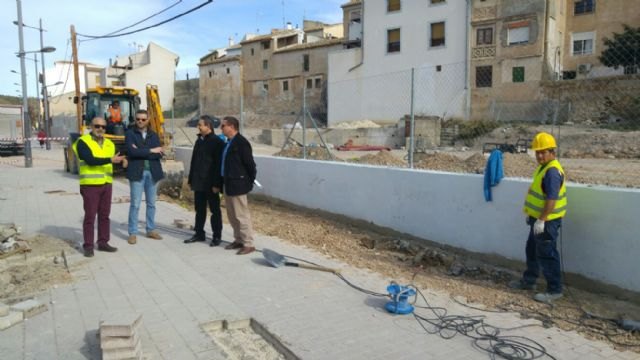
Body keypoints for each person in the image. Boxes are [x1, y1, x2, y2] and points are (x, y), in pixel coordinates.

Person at [509, 132, 567, 303]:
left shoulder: (552, 172)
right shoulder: (543, 168)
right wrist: (534, 217)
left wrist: (542, 219)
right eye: (537, 152)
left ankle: (554, 290)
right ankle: (529, 280)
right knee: (532, 250)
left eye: (543, 152)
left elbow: (551, 200)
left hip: (547, 221)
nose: (540, 155)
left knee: (547, 254)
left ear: (552, 152)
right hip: (539, 219)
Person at [72, 117, 126, 257]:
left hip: (106, 184)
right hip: (90, 185)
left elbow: (118, 157)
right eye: (97, 126)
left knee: (104, 215)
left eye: (103, 127)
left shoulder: (109, 143)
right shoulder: (83, 142)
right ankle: (88, 246)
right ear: (91, 126)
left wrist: (124, 161)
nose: (100, 129)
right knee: (90, 216)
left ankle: (103, 243)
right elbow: (89, 160)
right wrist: (110, 160)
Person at [184, 115, 225, 246]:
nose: (198, 127)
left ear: (208, 126)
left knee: (214, 210)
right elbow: (194, 162)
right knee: (199, 209)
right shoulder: (199, 141)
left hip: (211, 184)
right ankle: (199, 233)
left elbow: (218, 165)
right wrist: (191, 179)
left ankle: (216, 236)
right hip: (198, 182)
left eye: (200, 125)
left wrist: (217, 184)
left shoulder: (216, 142)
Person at [125, 109, 164, 245]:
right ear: (135, 120)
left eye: (143, 119)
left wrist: (140, 151)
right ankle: (133, 232)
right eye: (138, 119)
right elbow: (131, 152)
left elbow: (159, 154)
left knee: (151, 204)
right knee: (135, 204)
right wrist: (150, 150)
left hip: (152, 172)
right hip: (137, 173)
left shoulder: (153, 135)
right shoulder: (130, 134)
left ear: (148, 120)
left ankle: (150, 229)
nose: (140, 121)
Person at [220, 116, 257, 255]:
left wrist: (248, 182)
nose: (221, 128)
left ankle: (248, 243)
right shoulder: (228, 143)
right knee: (232, 214)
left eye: (223, 126)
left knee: (241, 215)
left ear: (231, 127)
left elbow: (250, 165)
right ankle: (238, 239)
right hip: (228, 183)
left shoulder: (241, 143)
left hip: (238, 184)